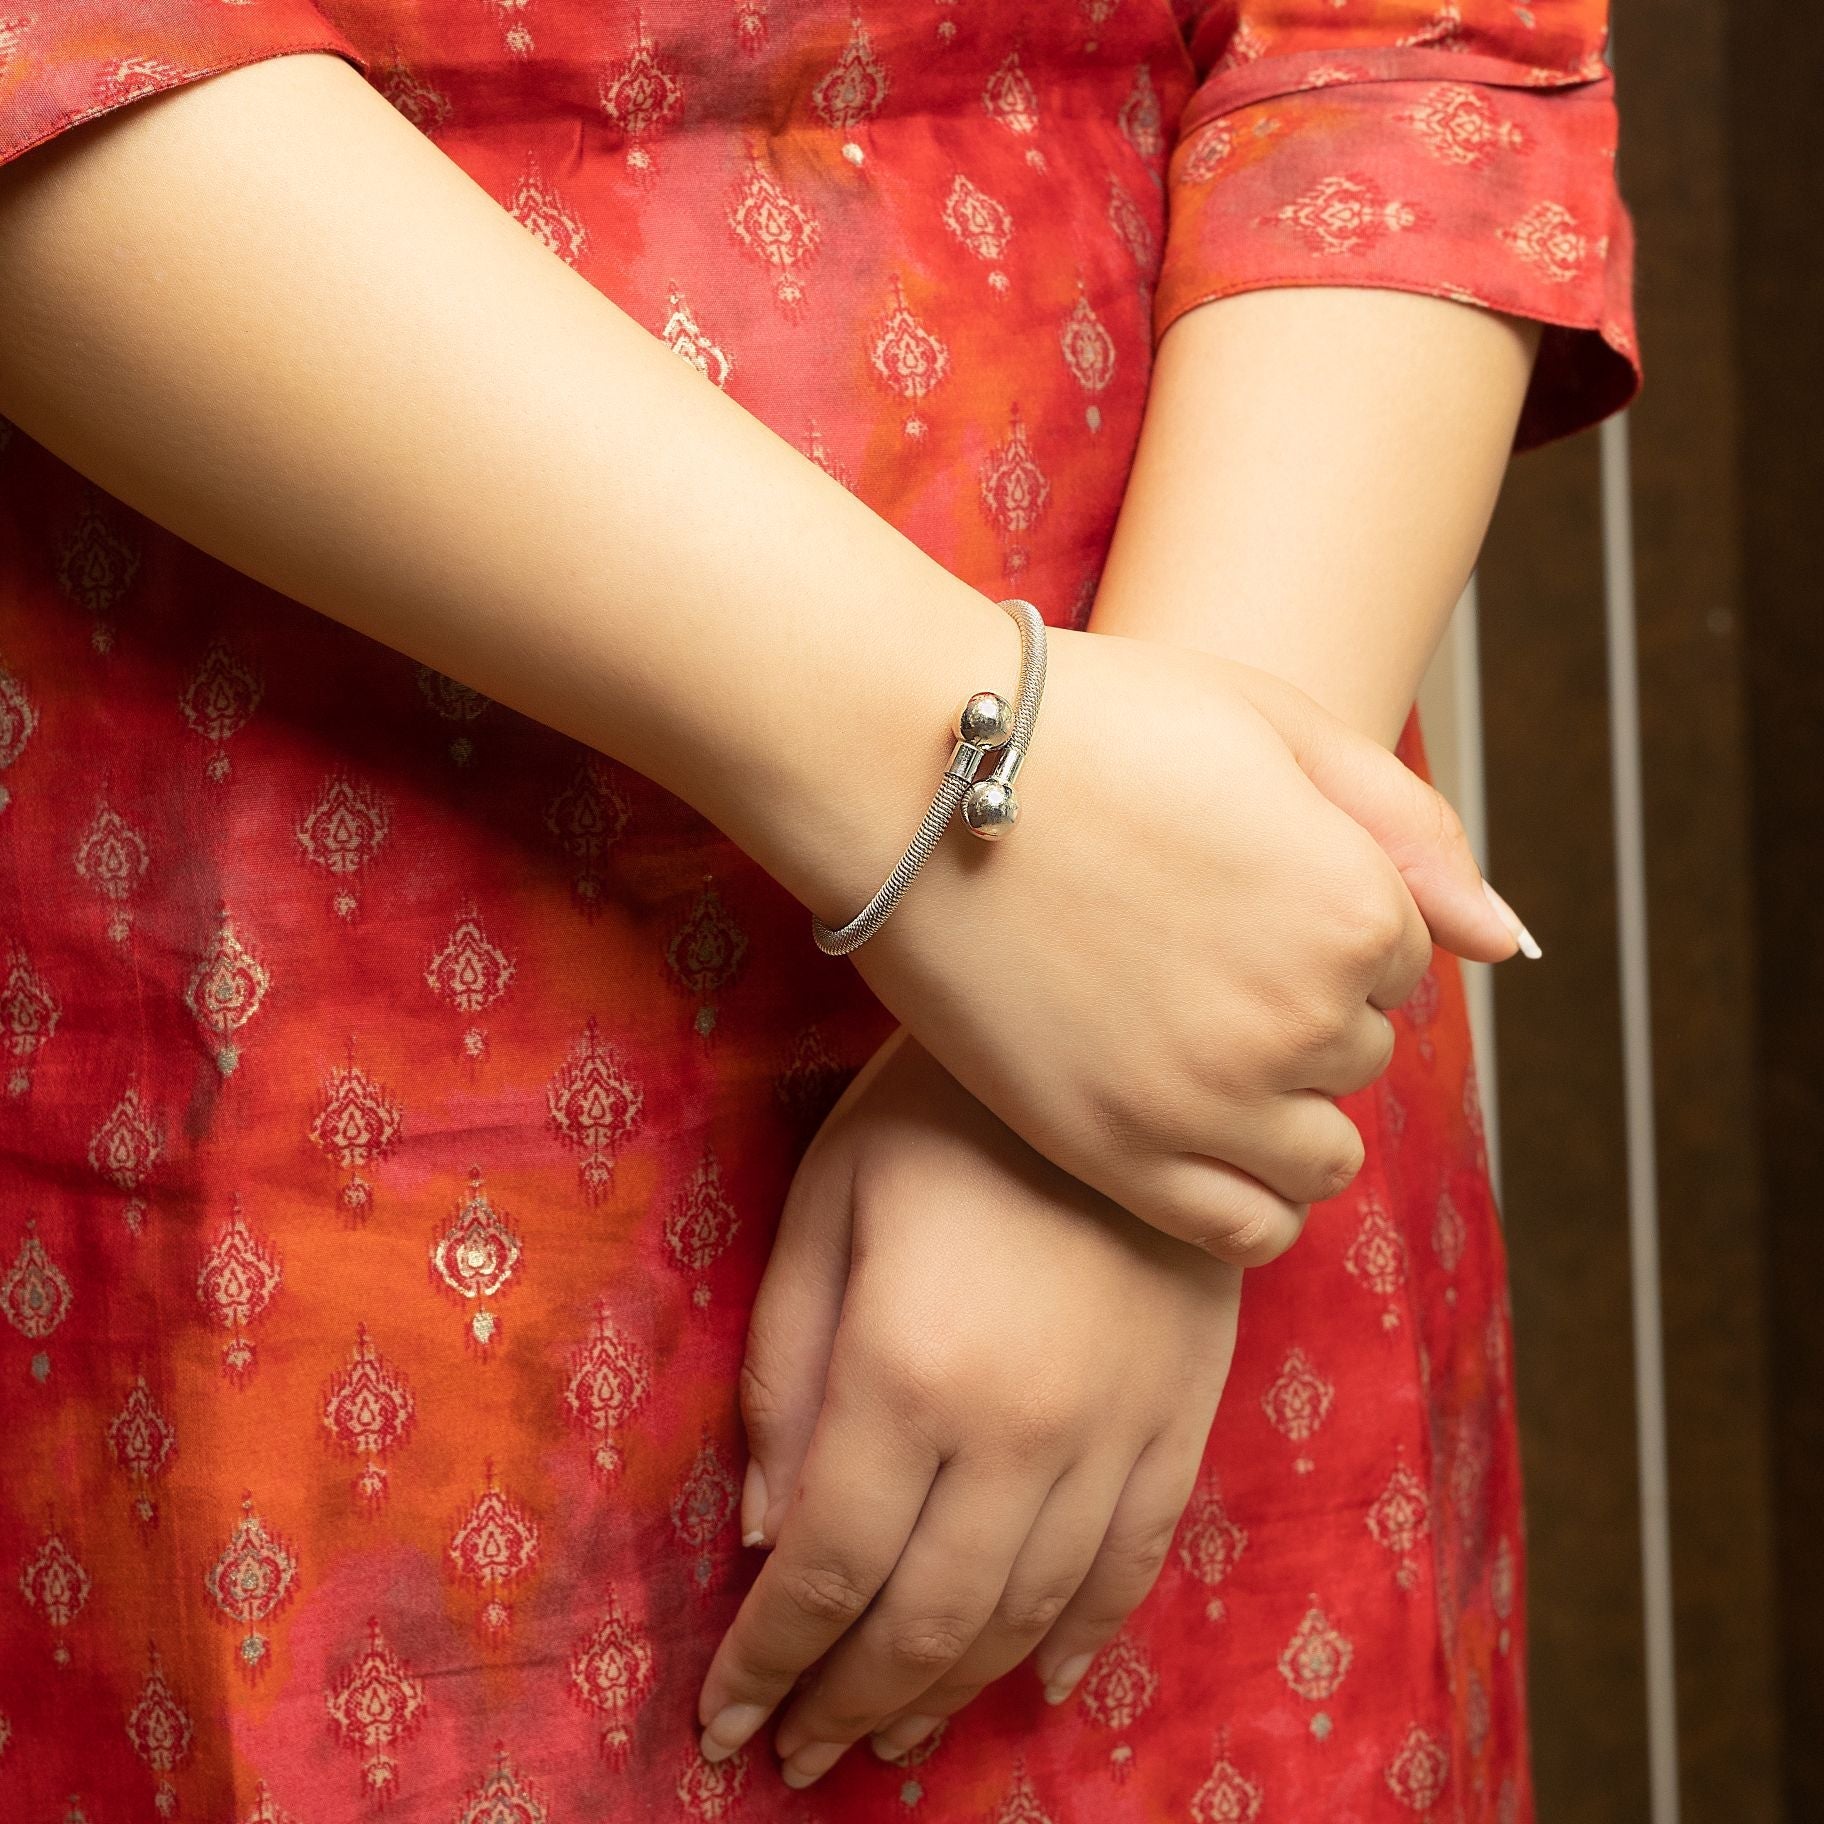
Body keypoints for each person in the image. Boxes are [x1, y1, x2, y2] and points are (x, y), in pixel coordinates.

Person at [0, 3, 1635, 1818]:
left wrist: (1138, 1074)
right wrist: (970, 799)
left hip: (1207, 938)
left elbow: (1416, 50)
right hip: (279, 1024)